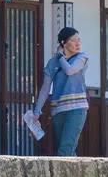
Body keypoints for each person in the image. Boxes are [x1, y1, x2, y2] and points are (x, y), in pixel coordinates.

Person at [30, 27, 90, 157]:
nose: (78, 44)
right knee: (65, 149)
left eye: (79, 40)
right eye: (74, 40)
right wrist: (37, 110)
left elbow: (70, 70)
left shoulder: (82, 57)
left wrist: (60, 56)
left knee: (65, 148)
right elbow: (45, 88)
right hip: (58, 110)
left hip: (77, 108)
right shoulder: (52, 63)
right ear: (64, 42)